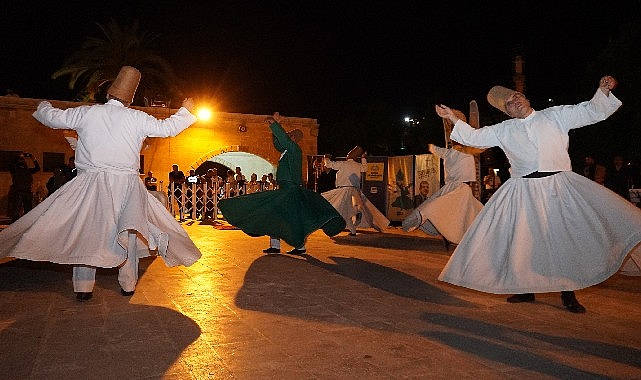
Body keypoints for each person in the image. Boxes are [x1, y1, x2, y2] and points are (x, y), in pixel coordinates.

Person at [435, 75, 641, 313]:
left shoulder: (554, 116)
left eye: (518, 96)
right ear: (507, 112)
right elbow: (473, 137)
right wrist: (451, 117)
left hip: (558, 187)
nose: (516, 101)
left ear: (527, 98)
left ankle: (568, 293)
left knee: (562, 239)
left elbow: (589, 111)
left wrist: (603, 90)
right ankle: (525, 289)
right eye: (510, 102)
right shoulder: (504, 129)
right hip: (523, 191)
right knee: (523, 240)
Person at [0, 66, 202, 301]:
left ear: (108, 94)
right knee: (128, 232)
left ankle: (83, 288)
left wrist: (43, 105)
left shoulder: (88, 113)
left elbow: (51, 117)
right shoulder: (137, 118)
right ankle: (128, 284)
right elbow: (168, 128)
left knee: (88, 231)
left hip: (92, 184)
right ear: (130, 99)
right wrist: (185, 111)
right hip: (126, 186)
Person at [218, 113, 345, 255]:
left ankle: (299, 247)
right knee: (276, 215)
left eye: (289, 135)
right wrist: (275, 128)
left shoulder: (294, 149)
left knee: (292, 219)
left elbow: (283, 140)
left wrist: (274, 124)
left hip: (291, 190)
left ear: (294, 139)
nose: (287, 136)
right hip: (285, 189)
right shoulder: (286, 151)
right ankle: (276, 245)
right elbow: (279, 142)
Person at [402, 143, 483, 245]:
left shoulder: (447, 152)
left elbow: (434, 149)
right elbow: (479, 149)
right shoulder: (465, 151)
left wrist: (430, 146)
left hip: (449, 188)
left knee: (449, 211)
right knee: (467, 212)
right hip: (461, 188)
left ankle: (432, 219)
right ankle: (466, 235)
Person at [322, 146, 390, 236]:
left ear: (349, 156)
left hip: (344, 190)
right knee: (348, 211)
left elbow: (329, 165)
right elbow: (365, 168)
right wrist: (363, 159)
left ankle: (354, 215)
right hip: (354, 191)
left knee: (337, 208)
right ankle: (354, 222)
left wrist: (326, 158)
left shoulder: (343, 164)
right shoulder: (358, 166)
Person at [8, 151, 40, 222]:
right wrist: (20, 156)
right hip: (18, 192)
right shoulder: (14, 170)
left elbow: (37, 168)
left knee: (28, 210)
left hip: (27, 192)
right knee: (16, 211)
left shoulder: (28, 170)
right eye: (21, 160)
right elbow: (10, 164)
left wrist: (33, 159)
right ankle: (15, 224)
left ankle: (25, 224)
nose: (23, 161)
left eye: (23, 160)